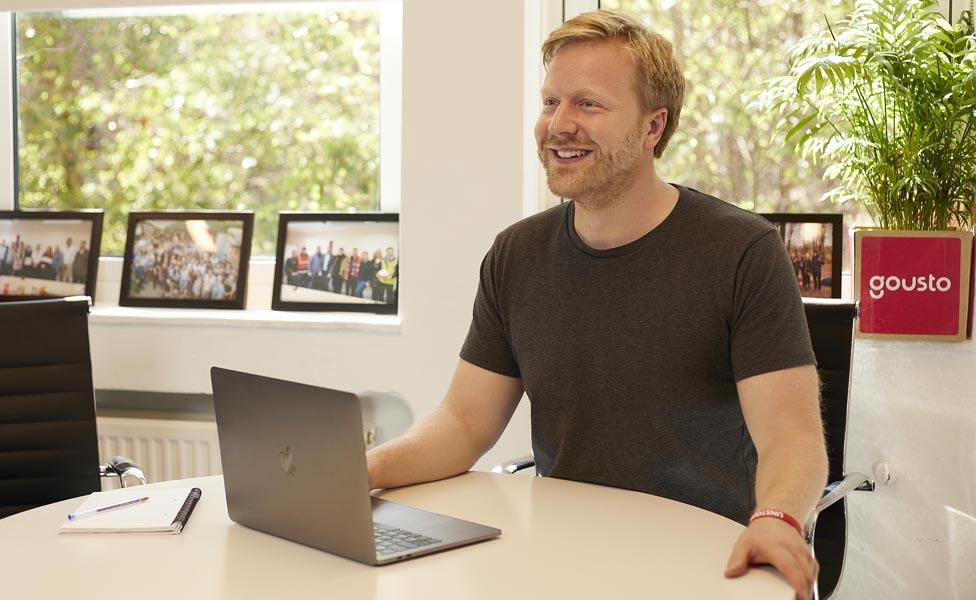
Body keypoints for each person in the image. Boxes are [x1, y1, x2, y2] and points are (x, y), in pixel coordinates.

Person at [365, 10, 826, 600]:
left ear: (653, 126)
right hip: (561, 555)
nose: (558, 124)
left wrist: (778, 518)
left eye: (588, 104)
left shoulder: (741, 251)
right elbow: (463, 422)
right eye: (550, 101)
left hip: (701, 557)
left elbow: (791, 436)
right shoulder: (517, 254)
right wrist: (367, 470)